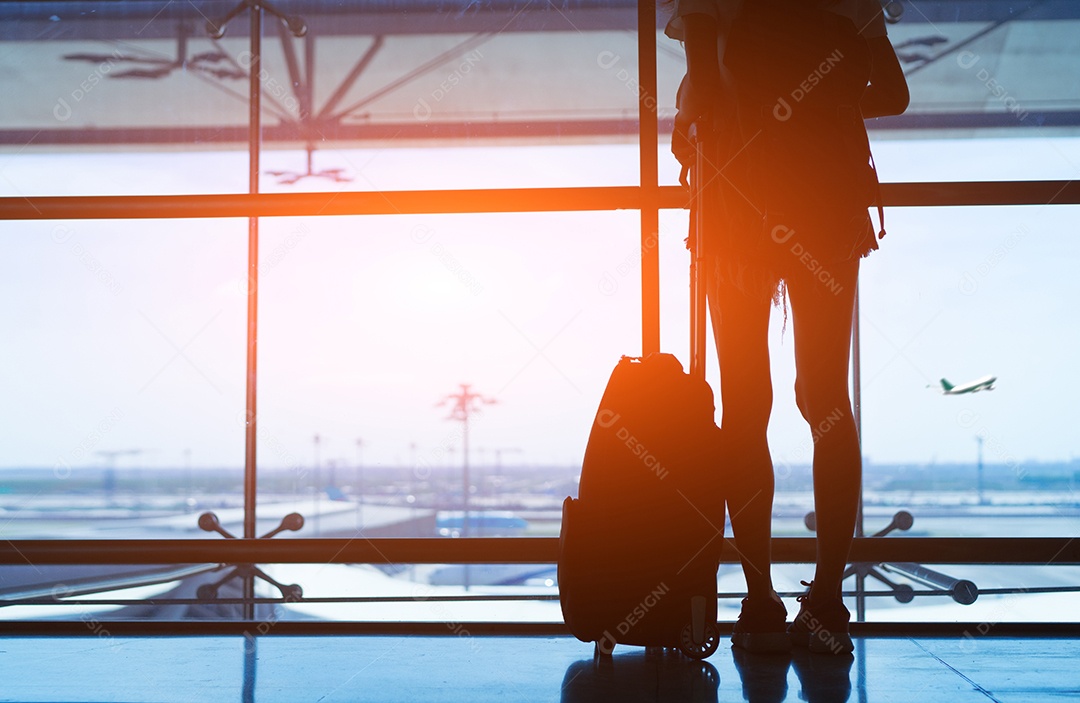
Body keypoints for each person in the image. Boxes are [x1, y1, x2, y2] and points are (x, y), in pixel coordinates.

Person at [665, 0, 910, 654]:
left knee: (746, 403)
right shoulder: (849, 7)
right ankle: (827, 596)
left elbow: (703, 109)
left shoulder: (713, 9)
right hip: (827, 208)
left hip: (737, 212)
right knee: (826, 399)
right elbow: (891, 94)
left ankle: (758, 594)